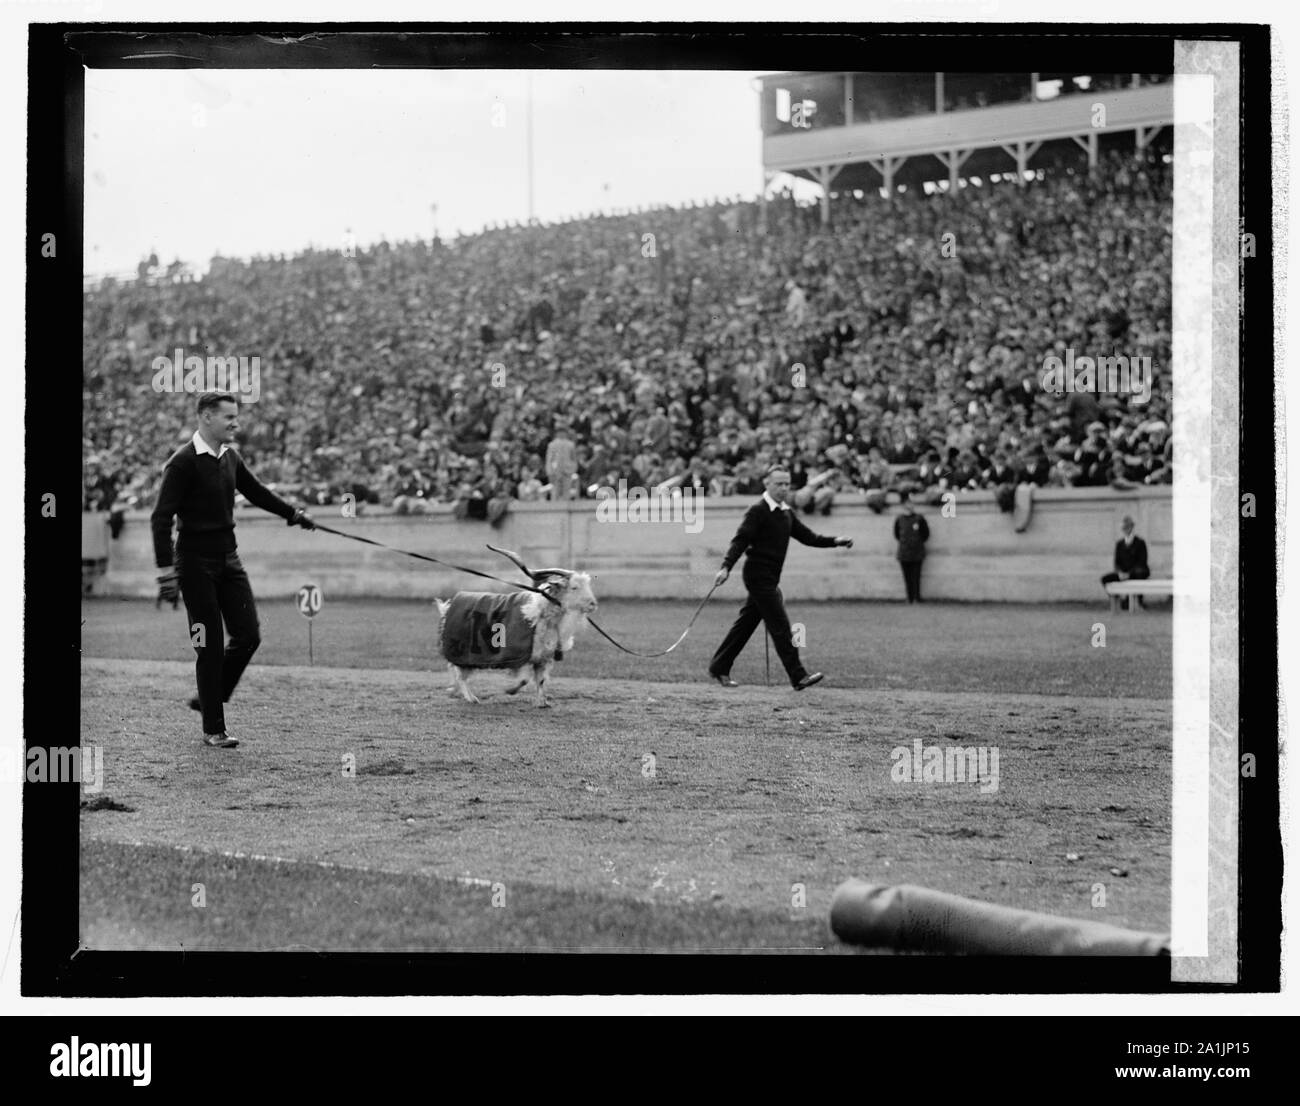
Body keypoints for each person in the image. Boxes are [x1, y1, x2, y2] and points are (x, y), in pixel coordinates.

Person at [151, 393, 317, 749]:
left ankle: (209, 697)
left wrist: (294, 514)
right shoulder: (182, 464)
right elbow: (160, 518)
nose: (235, 423)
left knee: (249, 635)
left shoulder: (230, 457)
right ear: (207, 417)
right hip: (194, 565)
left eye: (236, 417)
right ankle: (214, 728)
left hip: (229, 559)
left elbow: (256, 492)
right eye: (229, 417)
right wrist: (166, 572)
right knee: (208, 645)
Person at [708, 467, 853, 690]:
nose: (784, 488)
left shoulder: (786, 512)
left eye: (787, 484)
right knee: (781, 627)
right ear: (767, 483)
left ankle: (719, 666)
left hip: (770, 578)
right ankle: (798, 676)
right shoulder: (757, 510)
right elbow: (740, 540)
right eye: (779, 484)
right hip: (758, 576)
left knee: (744, 626)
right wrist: (725, 567)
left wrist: (836, 541)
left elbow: (809, 537)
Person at [1100, 515, 1150, 610]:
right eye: (1124, 528)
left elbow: (1142, 561)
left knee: (1139, 574)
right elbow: (1117, 561)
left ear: (1132, 527)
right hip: (1123, 573)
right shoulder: (1119, 544)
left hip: (1135, 572)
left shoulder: (1140, 542)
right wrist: (1120, 572)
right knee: (1105, 579)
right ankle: (1117, 599)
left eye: (1128, 527)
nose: (1126, 529)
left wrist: (1129, 573)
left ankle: (1137, 601)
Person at [893, 489, 930, 603]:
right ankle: (909, 597)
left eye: (912, 502)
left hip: (917, 551)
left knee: (916, 576)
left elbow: (925, 534)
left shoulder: (919, 518)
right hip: (904, 552)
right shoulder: (899, 519)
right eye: (909, 502)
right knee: (907, 577)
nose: (911, 505)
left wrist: (917, 542)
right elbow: (897, 534)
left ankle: (917, 597)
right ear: (904, 505)